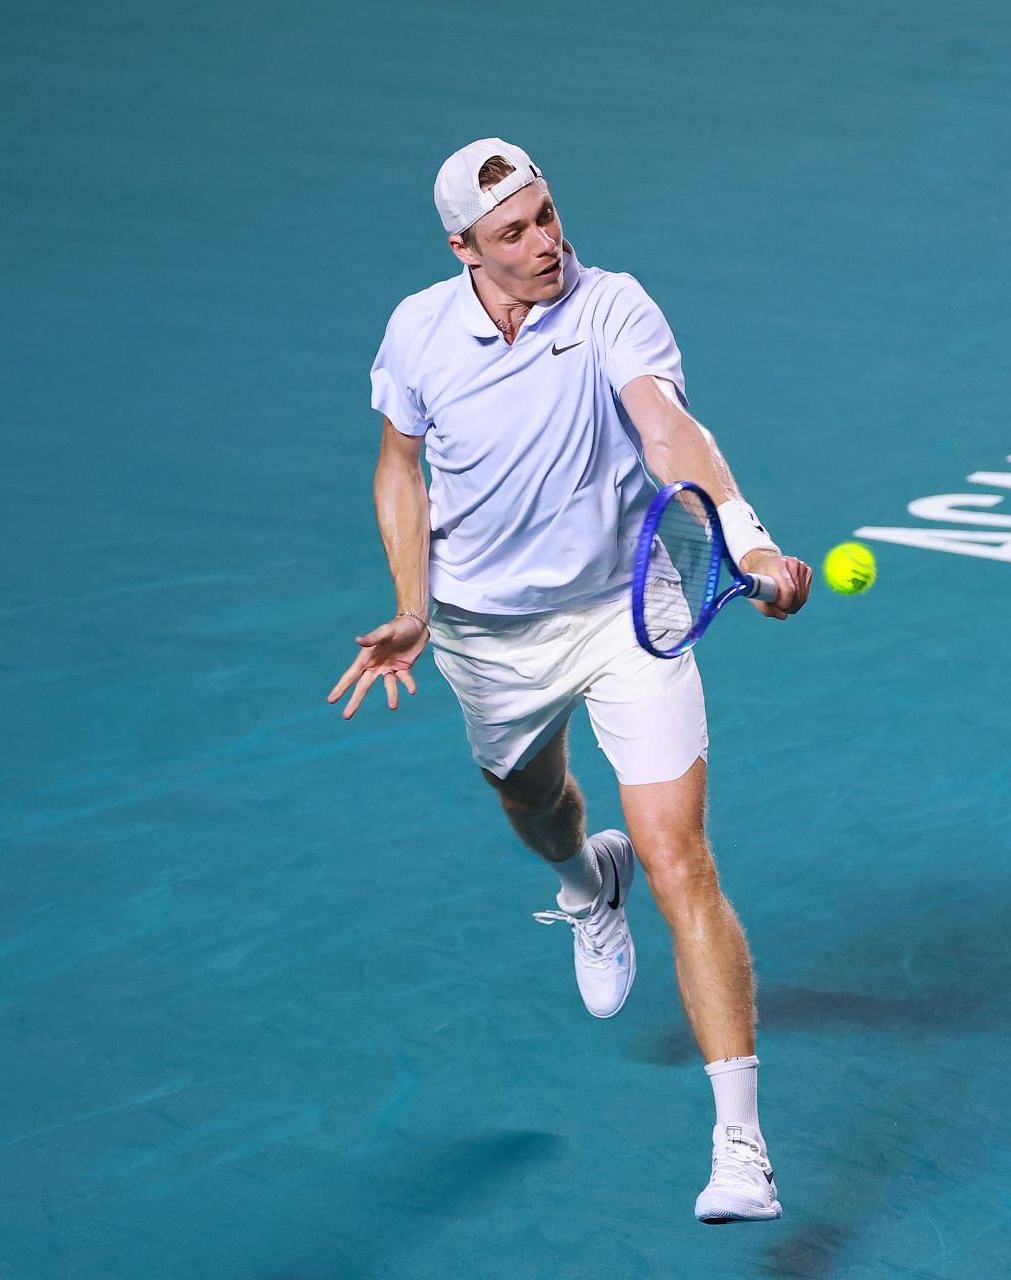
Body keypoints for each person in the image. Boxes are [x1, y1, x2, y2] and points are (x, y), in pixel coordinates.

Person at [326, 137, 812, 1224]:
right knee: (533, 804)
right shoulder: (417, 331)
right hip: (485, 635)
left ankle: (742, 1144)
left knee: (681, 855)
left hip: (622, 615)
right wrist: (411, 601)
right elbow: (399, 464)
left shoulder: (612, 304)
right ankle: (588, 885)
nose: (547, 243)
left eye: (548, 215)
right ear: (465, 248)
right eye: (516, 232)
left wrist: (744, 534)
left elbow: (666, 426)